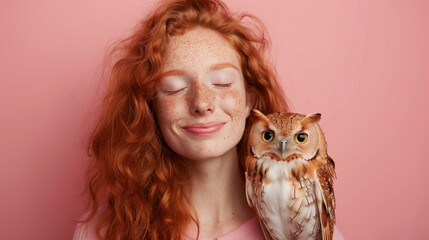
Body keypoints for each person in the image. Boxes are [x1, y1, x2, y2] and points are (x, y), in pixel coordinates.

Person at [73, 0, 344, 239]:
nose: (201, 103)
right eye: (175, 87)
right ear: (151, 105)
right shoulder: (105, 233)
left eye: (223, 82)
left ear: (249, 98)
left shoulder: (310, 231)